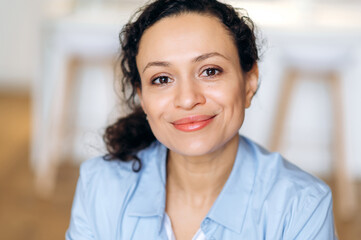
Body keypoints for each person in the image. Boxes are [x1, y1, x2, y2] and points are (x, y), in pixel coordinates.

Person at [66, 0, 337, 239]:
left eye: (210, 71)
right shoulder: (99, 186)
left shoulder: (302, 207)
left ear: (249, 82)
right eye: (161, 79)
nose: (187, 98)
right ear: (142, 98)